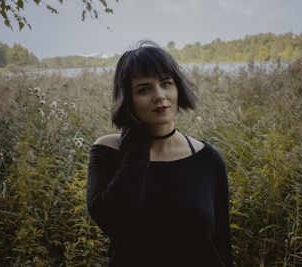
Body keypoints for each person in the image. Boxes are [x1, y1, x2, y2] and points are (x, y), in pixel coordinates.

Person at [86, 40, 232, 267]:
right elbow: (112, 220)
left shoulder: (208, 159)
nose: (159, 95)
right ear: (128, 97)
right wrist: (136, 145)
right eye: (144, 89)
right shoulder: (108, 152)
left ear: (177, 88)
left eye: (166, 83)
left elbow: (222, 244)